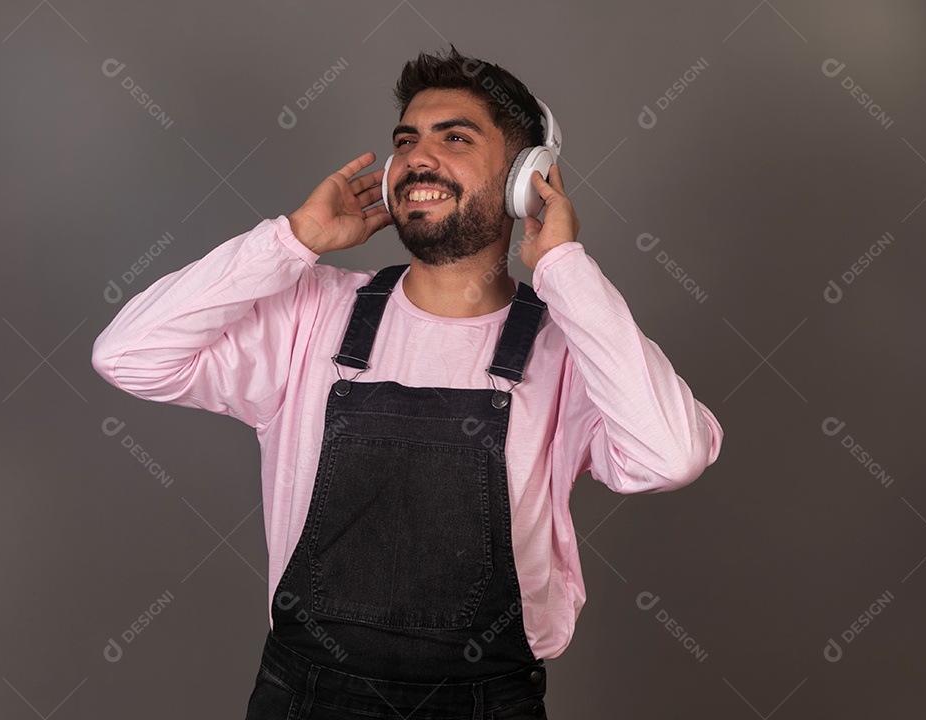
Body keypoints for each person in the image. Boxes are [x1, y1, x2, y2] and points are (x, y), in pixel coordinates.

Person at [92, 45, 722, 720]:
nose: (418, 157)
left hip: (486, 704)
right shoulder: (312, 311)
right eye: (406, 141)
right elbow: (128, 354)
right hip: (305, 698)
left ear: (527, 178)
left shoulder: (571, 347)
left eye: (455, 138)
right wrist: (293, 239)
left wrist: (565, 269)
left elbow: (671, 455)